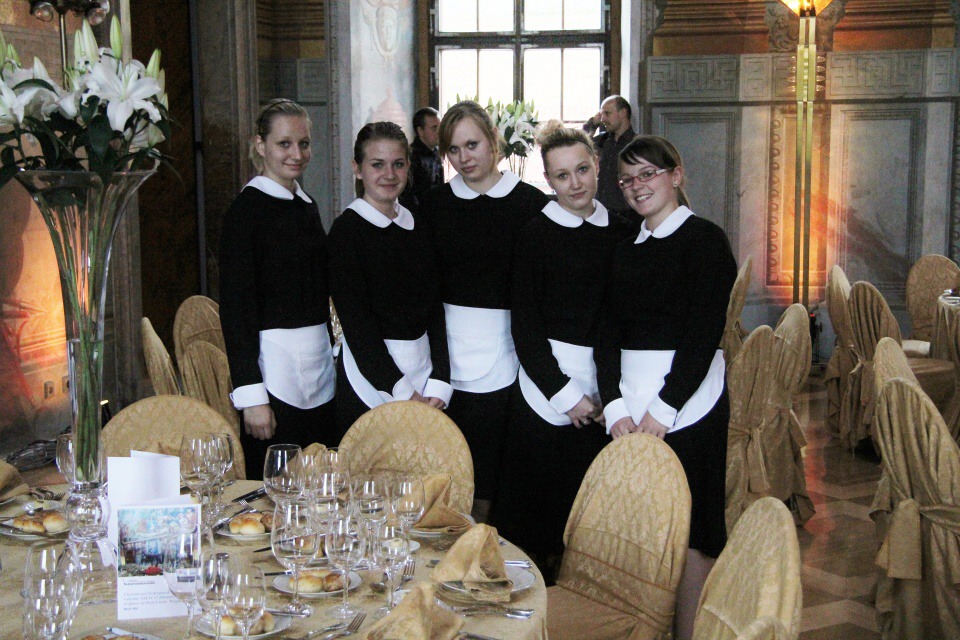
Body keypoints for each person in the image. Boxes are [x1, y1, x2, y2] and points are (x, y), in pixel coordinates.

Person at [596, 135, 736, 640]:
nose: (637, 186)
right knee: (637, 526)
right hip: (629, 403)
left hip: (690, 400)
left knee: (694, 531)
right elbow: (606, 334)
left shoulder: (706, 240)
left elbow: (703, 334)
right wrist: (614, 405)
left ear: (675, 176)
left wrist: (665, 407)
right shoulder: (624, 248)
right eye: (626, 180)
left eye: (647, 174)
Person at [490, 121, 637, 581]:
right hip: (545, 389)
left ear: (598, 166)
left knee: (590, 521)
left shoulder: (623, 231)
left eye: (582, 170)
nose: (575, 183)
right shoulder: (535, 234)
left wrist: (609, 396)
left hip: (607, 388)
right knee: (531, 523)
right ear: (548, 180)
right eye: (562, 175)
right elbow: (525, 327)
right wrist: (566, 395)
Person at [419, 101, 549, 521]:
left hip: (509, 352)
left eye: (472, 145)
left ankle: (485, 547)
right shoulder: (434, 205)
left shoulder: (531, 204)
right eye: (453, 150)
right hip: (443, 353)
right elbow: (427, 290)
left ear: (494, 141)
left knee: (494, 467)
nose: (464, 158)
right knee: (448, 465)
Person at [219, 98, 336, 480]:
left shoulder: (306, 204)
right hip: (274, 377)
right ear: (260, 145)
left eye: (304, 143)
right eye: (284, 144)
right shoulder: (245, 213)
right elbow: (236, 311)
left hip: (319, 371)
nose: (296, 154)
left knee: (321, 486)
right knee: (275, 491)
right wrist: (252, 396)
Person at [328, 122, 452, 436]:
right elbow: (358, 326)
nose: (389, 174)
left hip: (424, 375)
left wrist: (440, 379)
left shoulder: (418, 224)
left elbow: (435, 308)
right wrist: (403, 391)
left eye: (398, 164)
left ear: (409, 166)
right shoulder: (346, 232)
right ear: (357, 169)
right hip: (370, 379)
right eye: (377, 165)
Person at [583, 95, 637, 220]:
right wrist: (592, 123)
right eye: (601, 114)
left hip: (627, 215)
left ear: (623, 113)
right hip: (600, 213)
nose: (603, 119)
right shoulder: (602, 141)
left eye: (607, 113)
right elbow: (579, 144)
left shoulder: (637, 143)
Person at [399, 107, 444, 210]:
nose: (439, 132)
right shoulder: (411, 158)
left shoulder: (436, 153)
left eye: (440, 127)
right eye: (434, 128)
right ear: (420, 131)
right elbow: (407, 195)